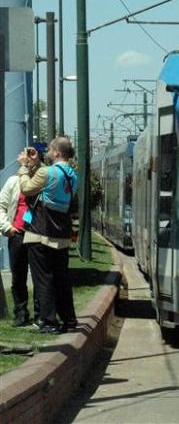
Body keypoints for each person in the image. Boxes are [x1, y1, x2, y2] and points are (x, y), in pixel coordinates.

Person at [18, 137, 79, 334]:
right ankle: (69, 319)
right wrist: (38, 163)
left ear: (56, 153)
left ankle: (49, 321)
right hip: (61, 234)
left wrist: (25, 167)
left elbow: (26, 188)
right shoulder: (72, 175)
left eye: (50, 150)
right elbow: (52, 179)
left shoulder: (46, 172)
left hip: (40, 232)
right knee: (61, 278)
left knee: (43, 278)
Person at [0, 170, 38, 327]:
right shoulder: (13, 182)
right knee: (18, 277)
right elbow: (1, 205)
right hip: (18, 234)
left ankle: (40, 314)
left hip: (37, 236)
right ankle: (21, 313)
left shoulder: (41, 181)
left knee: (39, 277)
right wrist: (7, 227)